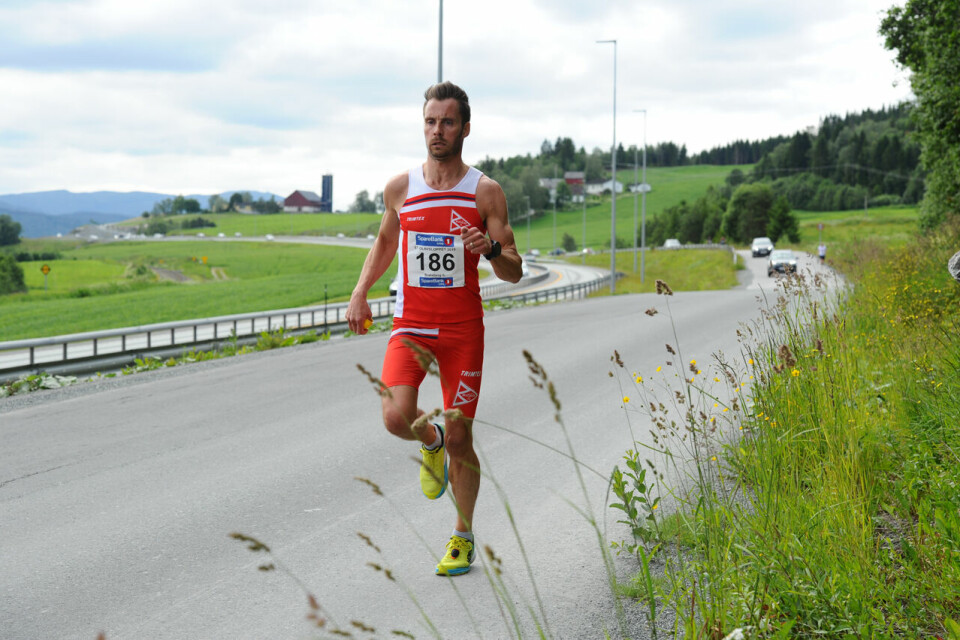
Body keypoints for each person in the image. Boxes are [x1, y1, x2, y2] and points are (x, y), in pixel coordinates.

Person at [346, 81, 523, 576]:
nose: (437, 130)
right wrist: (360, 291)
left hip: (462, 331)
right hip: (412, 326)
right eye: (430, 121)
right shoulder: (400, 189)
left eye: (447, 122)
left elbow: (513, 269)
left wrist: (489, 250)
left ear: (465, 128)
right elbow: (385, 243)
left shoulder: (484, 192)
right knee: (394, 417)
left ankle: (462, 536)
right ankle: (431, 441)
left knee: (463, 436)